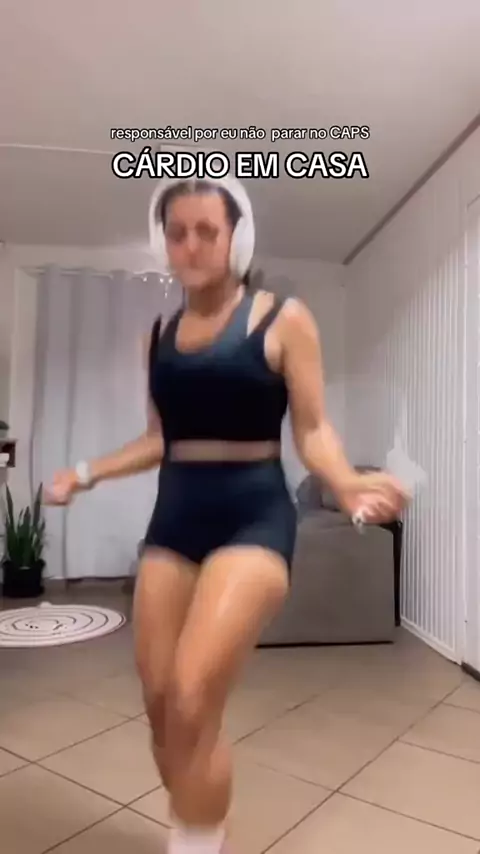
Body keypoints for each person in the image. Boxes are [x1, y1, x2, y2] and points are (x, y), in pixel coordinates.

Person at [44, 175, 408, 854]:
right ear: (163, 242)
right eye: (177, 232)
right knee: (161, 711)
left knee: (191, 695)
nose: (191, 244)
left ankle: (197, 840)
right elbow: (159, 440)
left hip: (254, 519)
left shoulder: (282, 319)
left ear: (236, 238)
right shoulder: (158, 336)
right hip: (174, 524)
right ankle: (198, 820)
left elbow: (314, 430)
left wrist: (347, 482)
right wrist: (85, 473)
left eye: (206, 230)